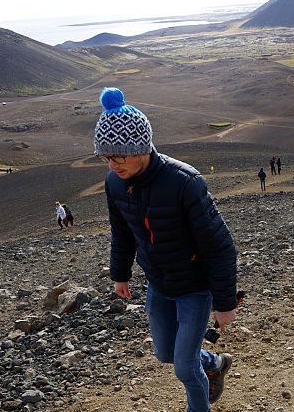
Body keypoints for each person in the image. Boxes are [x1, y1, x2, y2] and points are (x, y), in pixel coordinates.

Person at [94, 87, 237, 412]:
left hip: (194, 289)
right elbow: (123, 231)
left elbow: (221, 247)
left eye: (118, 155)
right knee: (166, 353)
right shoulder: (114, 182)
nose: (112, 164)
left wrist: (225, 303)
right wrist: (120, 275)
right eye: (106, 156)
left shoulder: (185, 182)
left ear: (140, 147)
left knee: (185, 368)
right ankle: (213, 362)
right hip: (158, 286)